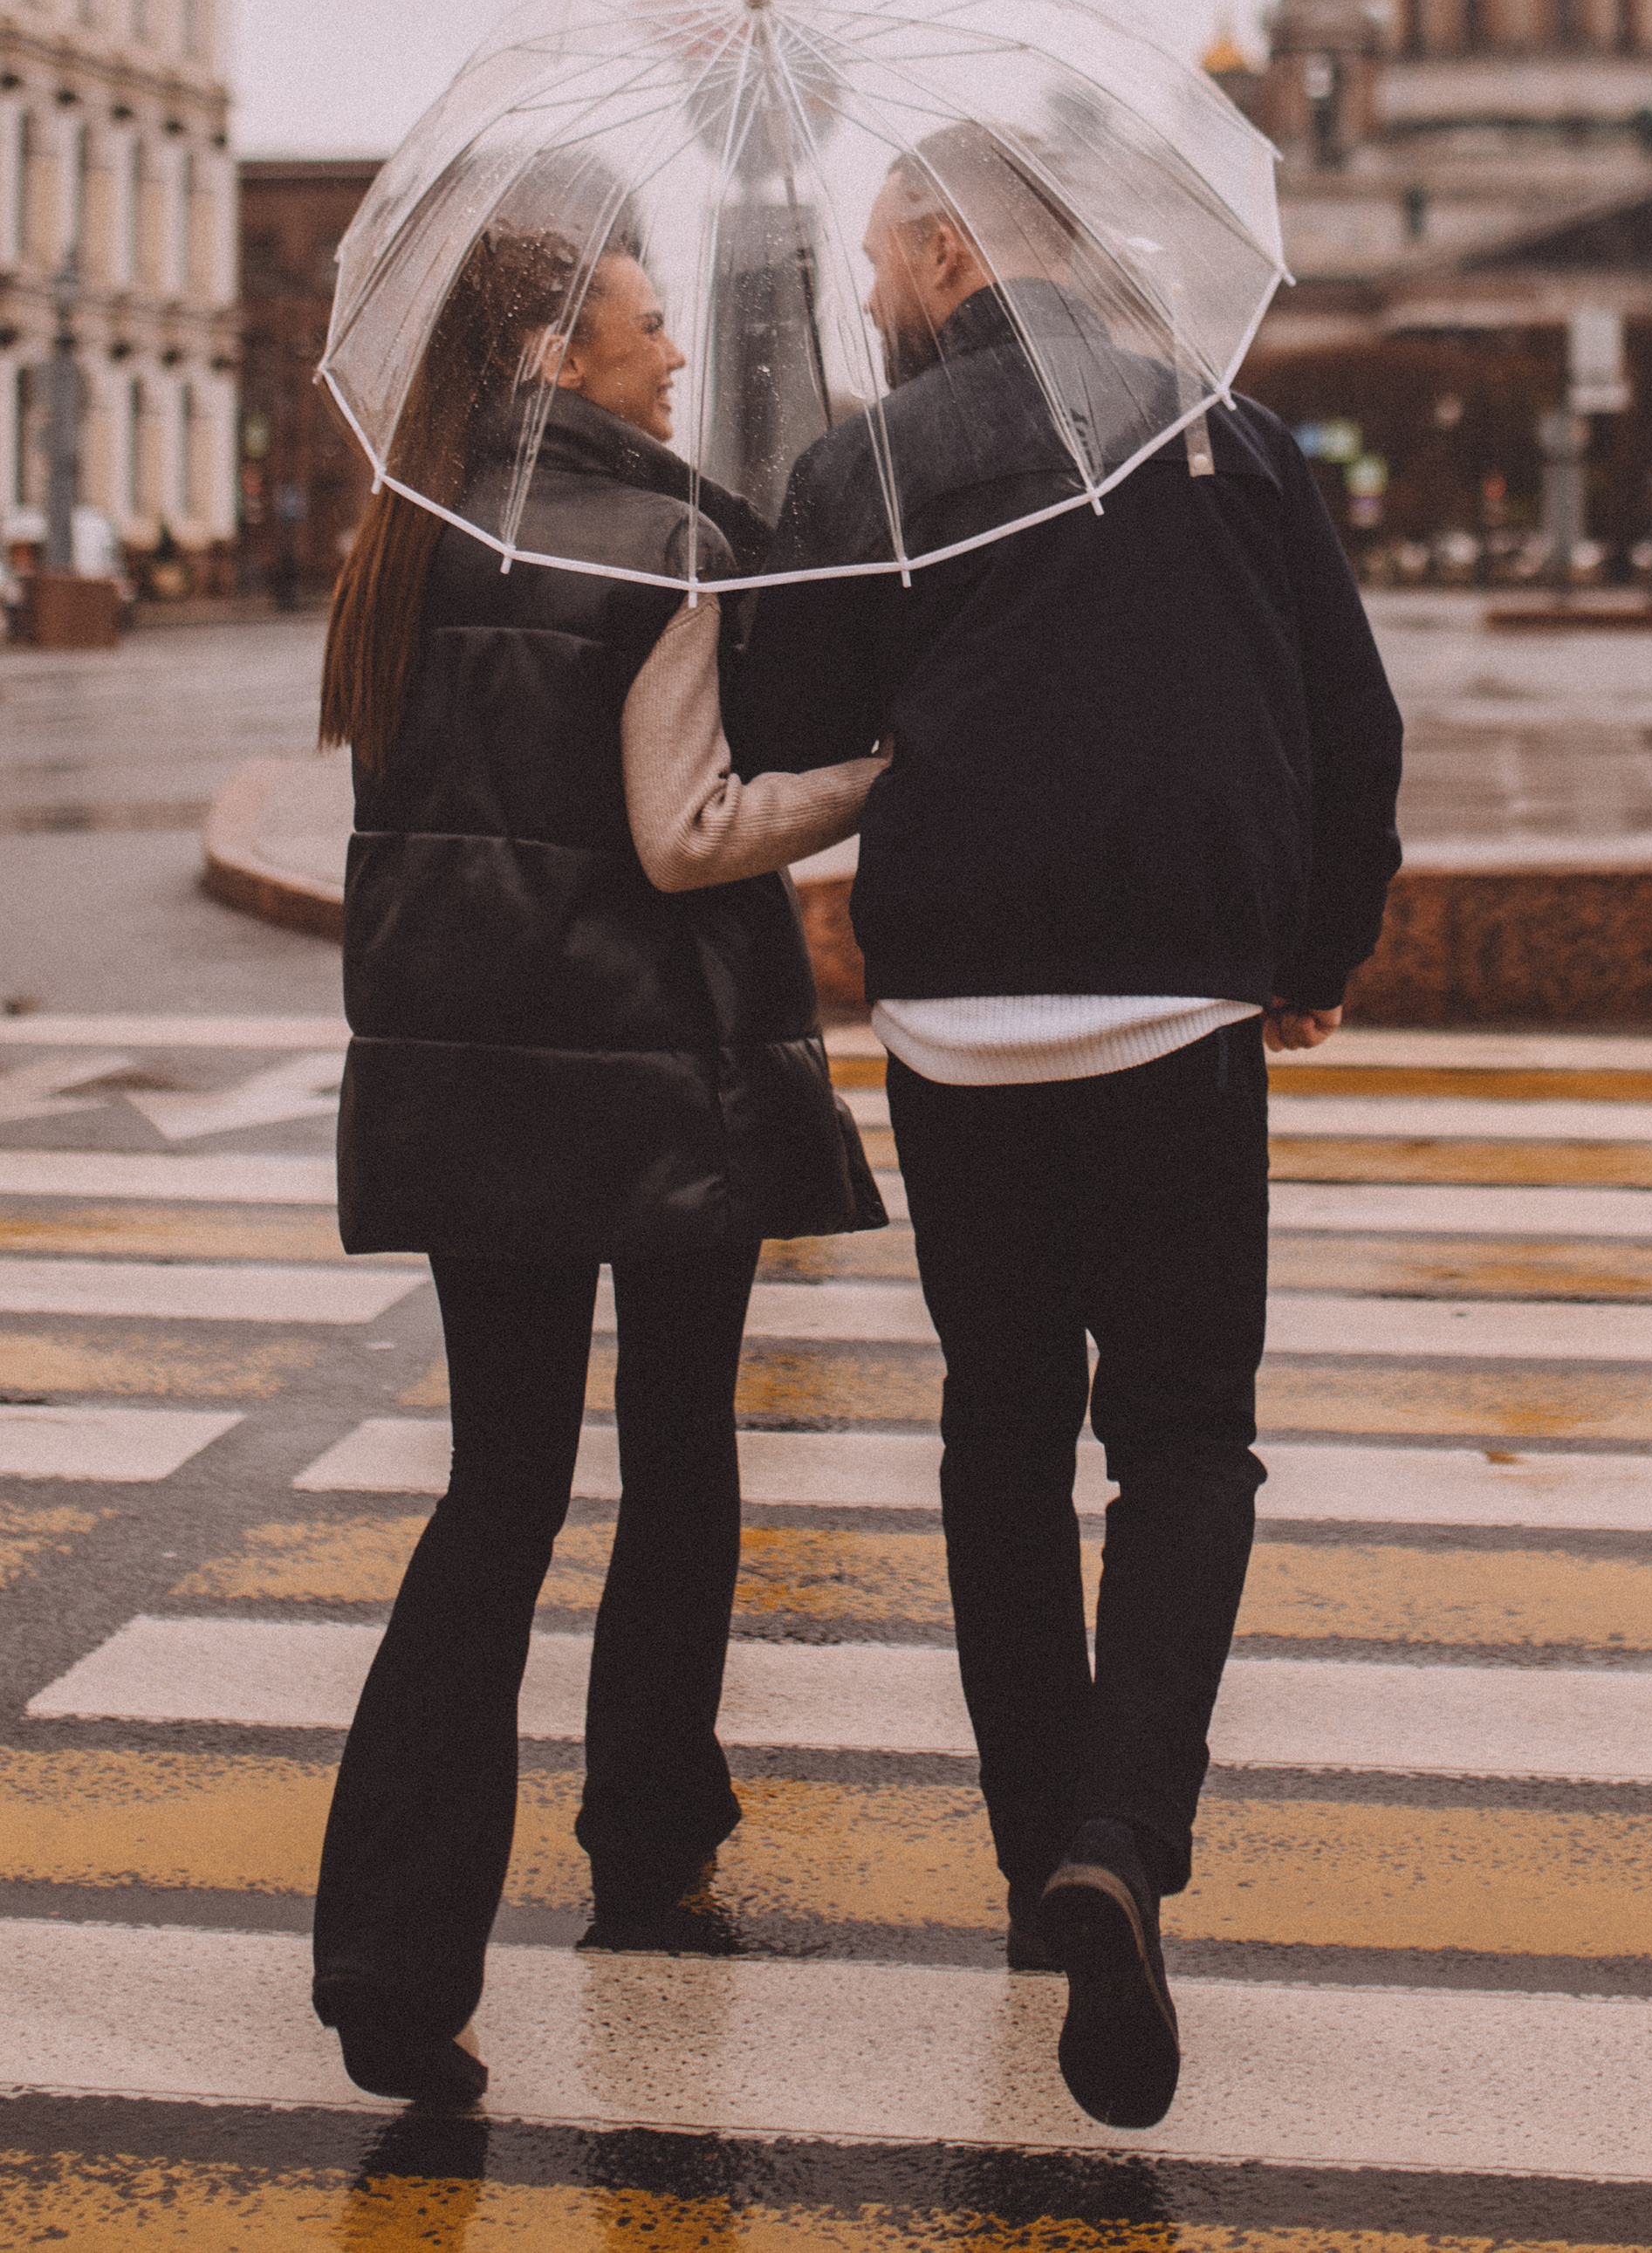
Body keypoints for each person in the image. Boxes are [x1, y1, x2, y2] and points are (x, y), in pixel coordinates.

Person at [732, 126, 1402, 2131]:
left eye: (873, 256)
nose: (862, 292)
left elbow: (782, 731)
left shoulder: (860, 470)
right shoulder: (1222, 431)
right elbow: (1350, 718)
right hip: (1178, 1010)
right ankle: (1122, 1830)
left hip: (955, 1032)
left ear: (948, 249)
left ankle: (1042, 1862)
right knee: (1185, 1434)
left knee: (997, 1428)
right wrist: (1309, 942)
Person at [311, 223, 887, 2107]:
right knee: (681, 1450)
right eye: (644, 331)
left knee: (496, 1490)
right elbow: (685, 829)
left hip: (465, 1078)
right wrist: (874, 771)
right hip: (651, 1077)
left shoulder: (404, 536)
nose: (668, 364)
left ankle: (394, 1960)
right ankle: (645, 1834)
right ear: (561, 354)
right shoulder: (669, 542)